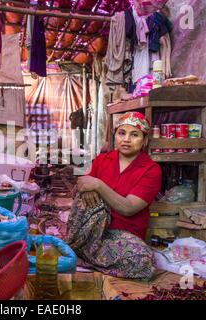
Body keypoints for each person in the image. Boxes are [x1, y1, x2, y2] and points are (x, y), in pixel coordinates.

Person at [68, 111, 162, 280]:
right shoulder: (102, 160)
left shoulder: (151, 170)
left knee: (143, 262)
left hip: (122, 237)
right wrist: (86, 188)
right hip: (90, 233)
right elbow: (80, 184)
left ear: (145, 140)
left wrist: (97, 185)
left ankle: (85, 258)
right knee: (85, 196)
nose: (126, 139)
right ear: (115, 136)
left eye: (134, 135)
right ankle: (83, 251)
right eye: (121, 133)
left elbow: (129, 208)